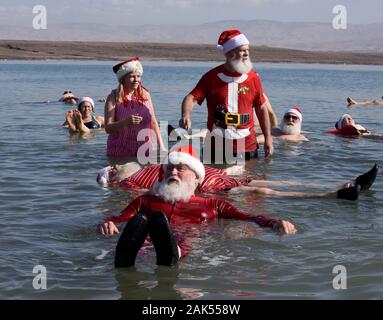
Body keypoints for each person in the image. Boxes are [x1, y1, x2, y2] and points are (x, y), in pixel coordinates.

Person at [98, 146, 296, 268]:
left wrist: (274, 222)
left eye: (180, 169)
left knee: (184, 236)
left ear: (195, 177)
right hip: (147, 240)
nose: (172, 172)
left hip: (186, 242)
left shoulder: (213, 204)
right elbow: (120, 218)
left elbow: (248, 217)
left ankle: (172, 253)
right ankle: (126, 258)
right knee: (141, 221)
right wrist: (108, 223)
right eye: (169, 169)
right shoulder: (146, 200)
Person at [97, 149, 378, 201]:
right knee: (264, 189)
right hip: (212, 183)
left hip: (212, 178)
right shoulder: (134, 179)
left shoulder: (148, 172)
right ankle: (336, 192)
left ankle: (345, 185)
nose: (117, 167)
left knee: (270, 183)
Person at [179, 29, 273, 163]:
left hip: (247, 147)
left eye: (247, 50)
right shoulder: (211, 77)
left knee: (248, 183)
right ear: (229, 53)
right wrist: (185, 115)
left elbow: (261, 108)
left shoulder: (253, 78)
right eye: (242, 50)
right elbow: (191, 98)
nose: (246, 53)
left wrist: (268, 138)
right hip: (216, 149)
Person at [104, 57, 166, 159]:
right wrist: (126, 122)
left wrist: (162, 147)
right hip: (120, 151)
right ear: (122, 79)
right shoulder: (113, 97)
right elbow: (108, 128)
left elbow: (153, 122)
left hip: (145, 149)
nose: (136, 80)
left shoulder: (145, 95)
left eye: (138, 76)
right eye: (132, 77)